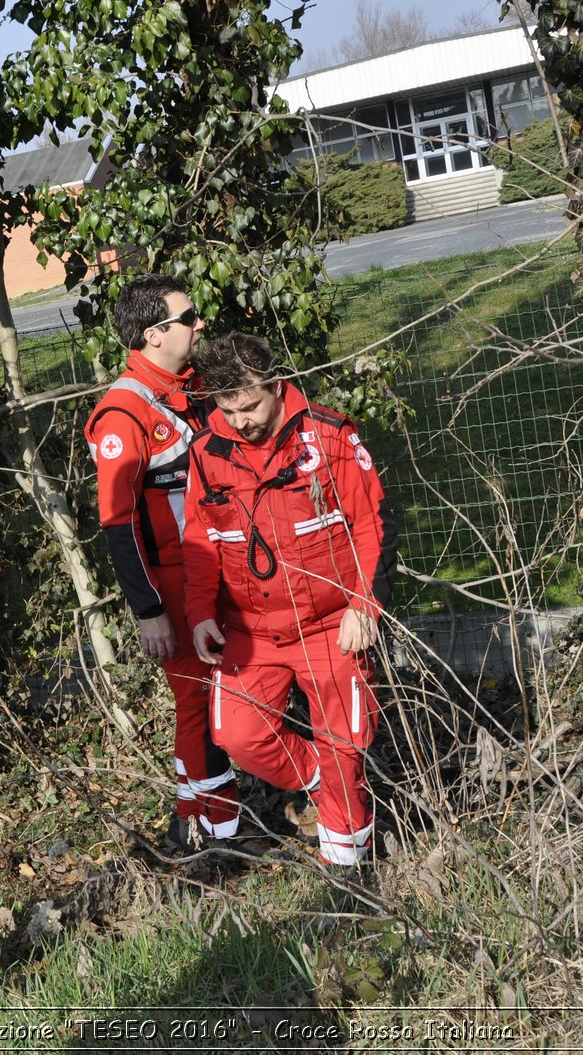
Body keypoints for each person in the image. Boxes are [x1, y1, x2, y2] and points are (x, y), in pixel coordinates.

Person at [182, 332, 397, 867]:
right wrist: (201, 614)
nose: (240, 420)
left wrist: (364, 607)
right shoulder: (208, 453)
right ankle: (321, 779)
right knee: (237, 735)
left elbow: (373, 526)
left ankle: (348, 876)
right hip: (250, 634)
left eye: (250, 405)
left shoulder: (327, 438)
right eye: (227, 409)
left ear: (276, 385)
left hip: (330, 626)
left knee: (345, 744)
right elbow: (200, 544)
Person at [85, 274, 241, 854]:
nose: (200, 324)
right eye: (189, 316)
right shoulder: (124, 413)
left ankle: (189, 818)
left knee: (210, 697)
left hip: (214, 567)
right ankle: (221, 836)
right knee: (199, 700)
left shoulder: (188, 388)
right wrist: (149, 609)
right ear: (153, 334)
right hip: (171, 580)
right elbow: (117, 525)